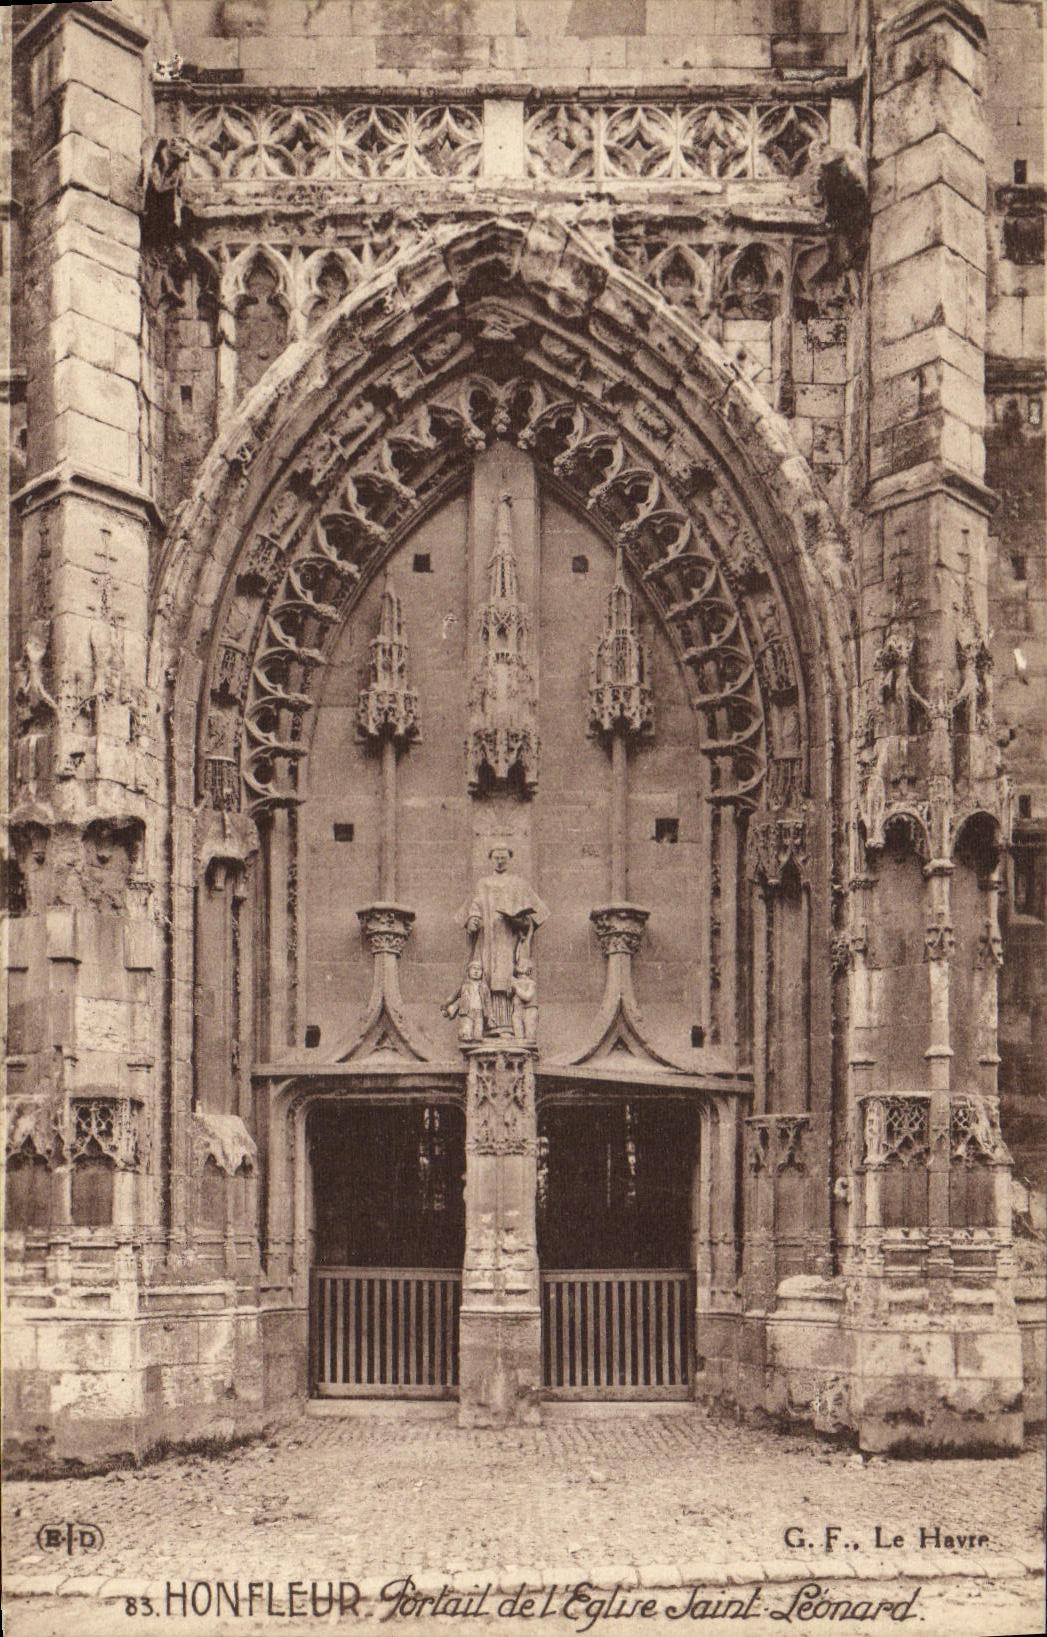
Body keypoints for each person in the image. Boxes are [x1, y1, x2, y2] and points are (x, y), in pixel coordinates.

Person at [455, 846, 549, 1036]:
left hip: (510, 938)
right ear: (491, 858)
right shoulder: (483, 884)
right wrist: (473, 919)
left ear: (509, 859)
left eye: (503, 857)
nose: (500, 861)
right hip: (488, 938)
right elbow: (474, 906)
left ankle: (507, 1027)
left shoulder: (519, 884)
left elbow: (534, 917)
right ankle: (490, 1026)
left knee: (507, 978)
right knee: (488, 975)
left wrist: (520, 920)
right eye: (496, 857)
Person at [442, 961, 489, 1042]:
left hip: (479, 1013)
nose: (476, 971)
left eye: (479, 969)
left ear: (482, 973)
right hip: (467, 1012)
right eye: (474, 968)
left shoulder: (484, 987)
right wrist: (445, 1005)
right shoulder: (464, 986)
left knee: (478, 1035)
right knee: (465, 1033)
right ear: (468, 971)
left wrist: (490, 1015)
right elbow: (453, 997)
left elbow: (488, 1002)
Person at [511, 960, 538, 1043]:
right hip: (517, 1010)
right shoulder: (514, 982)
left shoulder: (531, 983)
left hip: (529, 1010)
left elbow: (527, 997)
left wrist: (516, 988)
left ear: (529, 971)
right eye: (519, 964)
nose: (521, 966)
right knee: (518, 1036)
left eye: (524, 965)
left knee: (529, 1036)